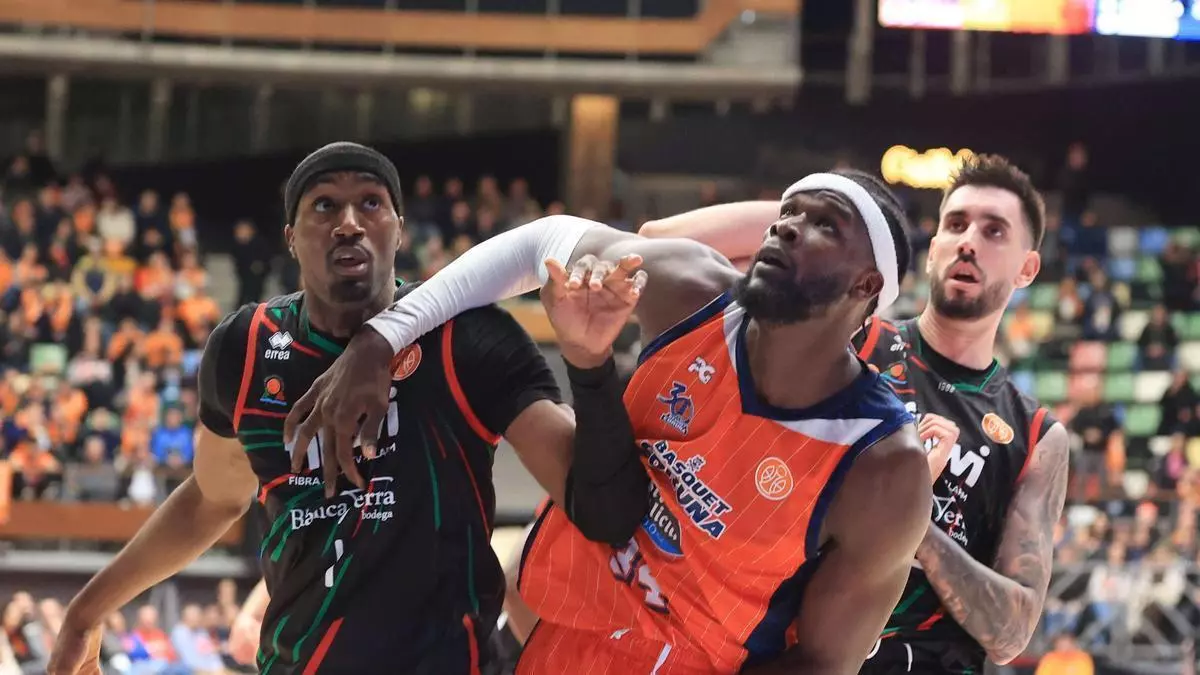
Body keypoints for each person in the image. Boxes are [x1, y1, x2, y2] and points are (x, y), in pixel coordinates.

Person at [283, 168, 952, 673]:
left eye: (824, 224)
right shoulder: (689, 287)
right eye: (787, 213)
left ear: (867, 286)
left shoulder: (883, 466)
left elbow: (823, 663)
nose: (786, 226)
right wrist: (383, 337)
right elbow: (541, 243)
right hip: (559, 632)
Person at [47, 142, 651, 675]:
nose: (349, 223)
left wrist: (588, 362)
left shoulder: (467, 337)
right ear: (290, 236)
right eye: (324, 206)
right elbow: (212, 499)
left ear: (399, 230)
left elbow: (602, 509)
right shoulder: (245, 347)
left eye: (370, 204)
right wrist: (86, 610)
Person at [638, 154, 1070, 673]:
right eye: (955, 224)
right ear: (932, 248)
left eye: (994, 231)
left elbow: (1012, 634)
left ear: (1027, 268)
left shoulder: (1036, 433)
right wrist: (817, 218)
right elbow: (658, 240)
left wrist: (909, 520)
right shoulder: (844, 334)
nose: (969, 242)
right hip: (794, 649)